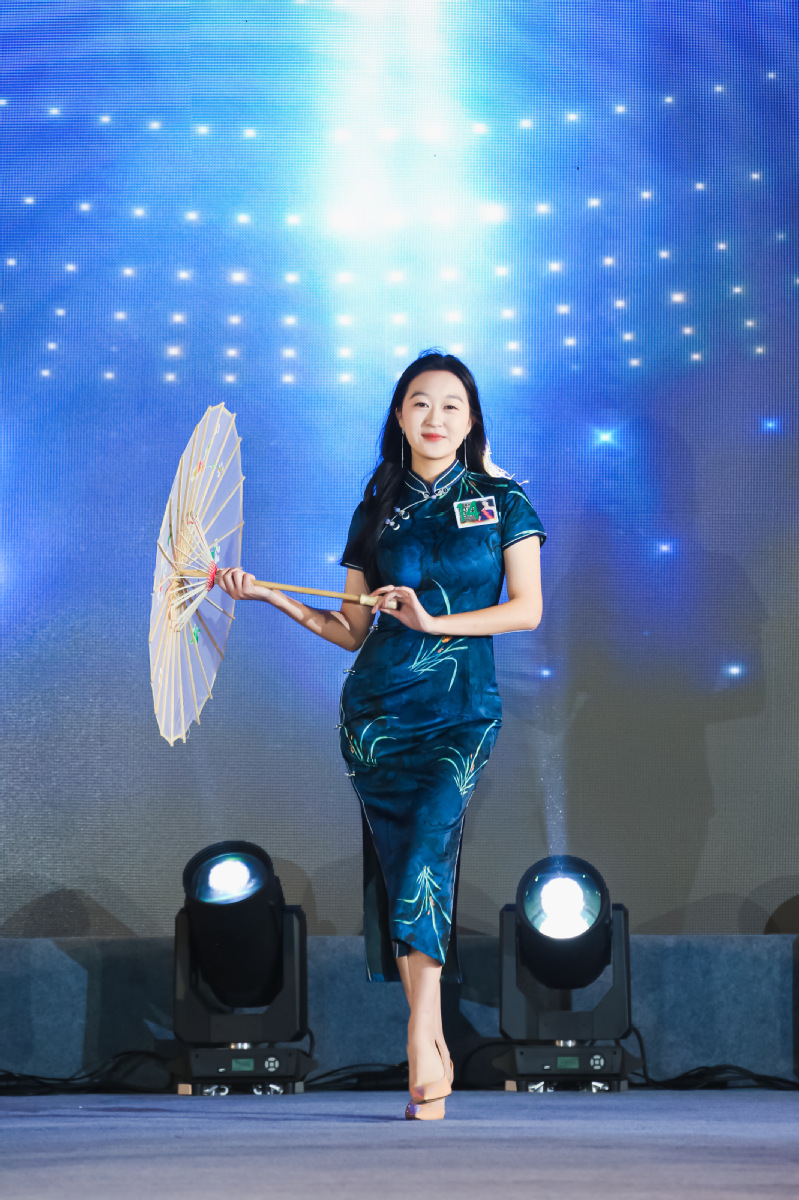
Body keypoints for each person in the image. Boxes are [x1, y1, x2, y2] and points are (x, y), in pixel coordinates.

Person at [216, 350, 545, 1119]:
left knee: (427, 846)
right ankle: (427, 1036)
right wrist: (265, 596)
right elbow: (349, 629)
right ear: (399, 415)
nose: (435, 417)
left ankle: (422, 1033)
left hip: (460, 708)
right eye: (420, 403)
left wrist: (431, 621)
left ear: (471, 420)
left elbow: (525, 610)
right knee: (405, 868)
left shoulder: (502, 501)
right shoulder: (376, 511)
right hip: (377, 716)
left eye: (451, 405)